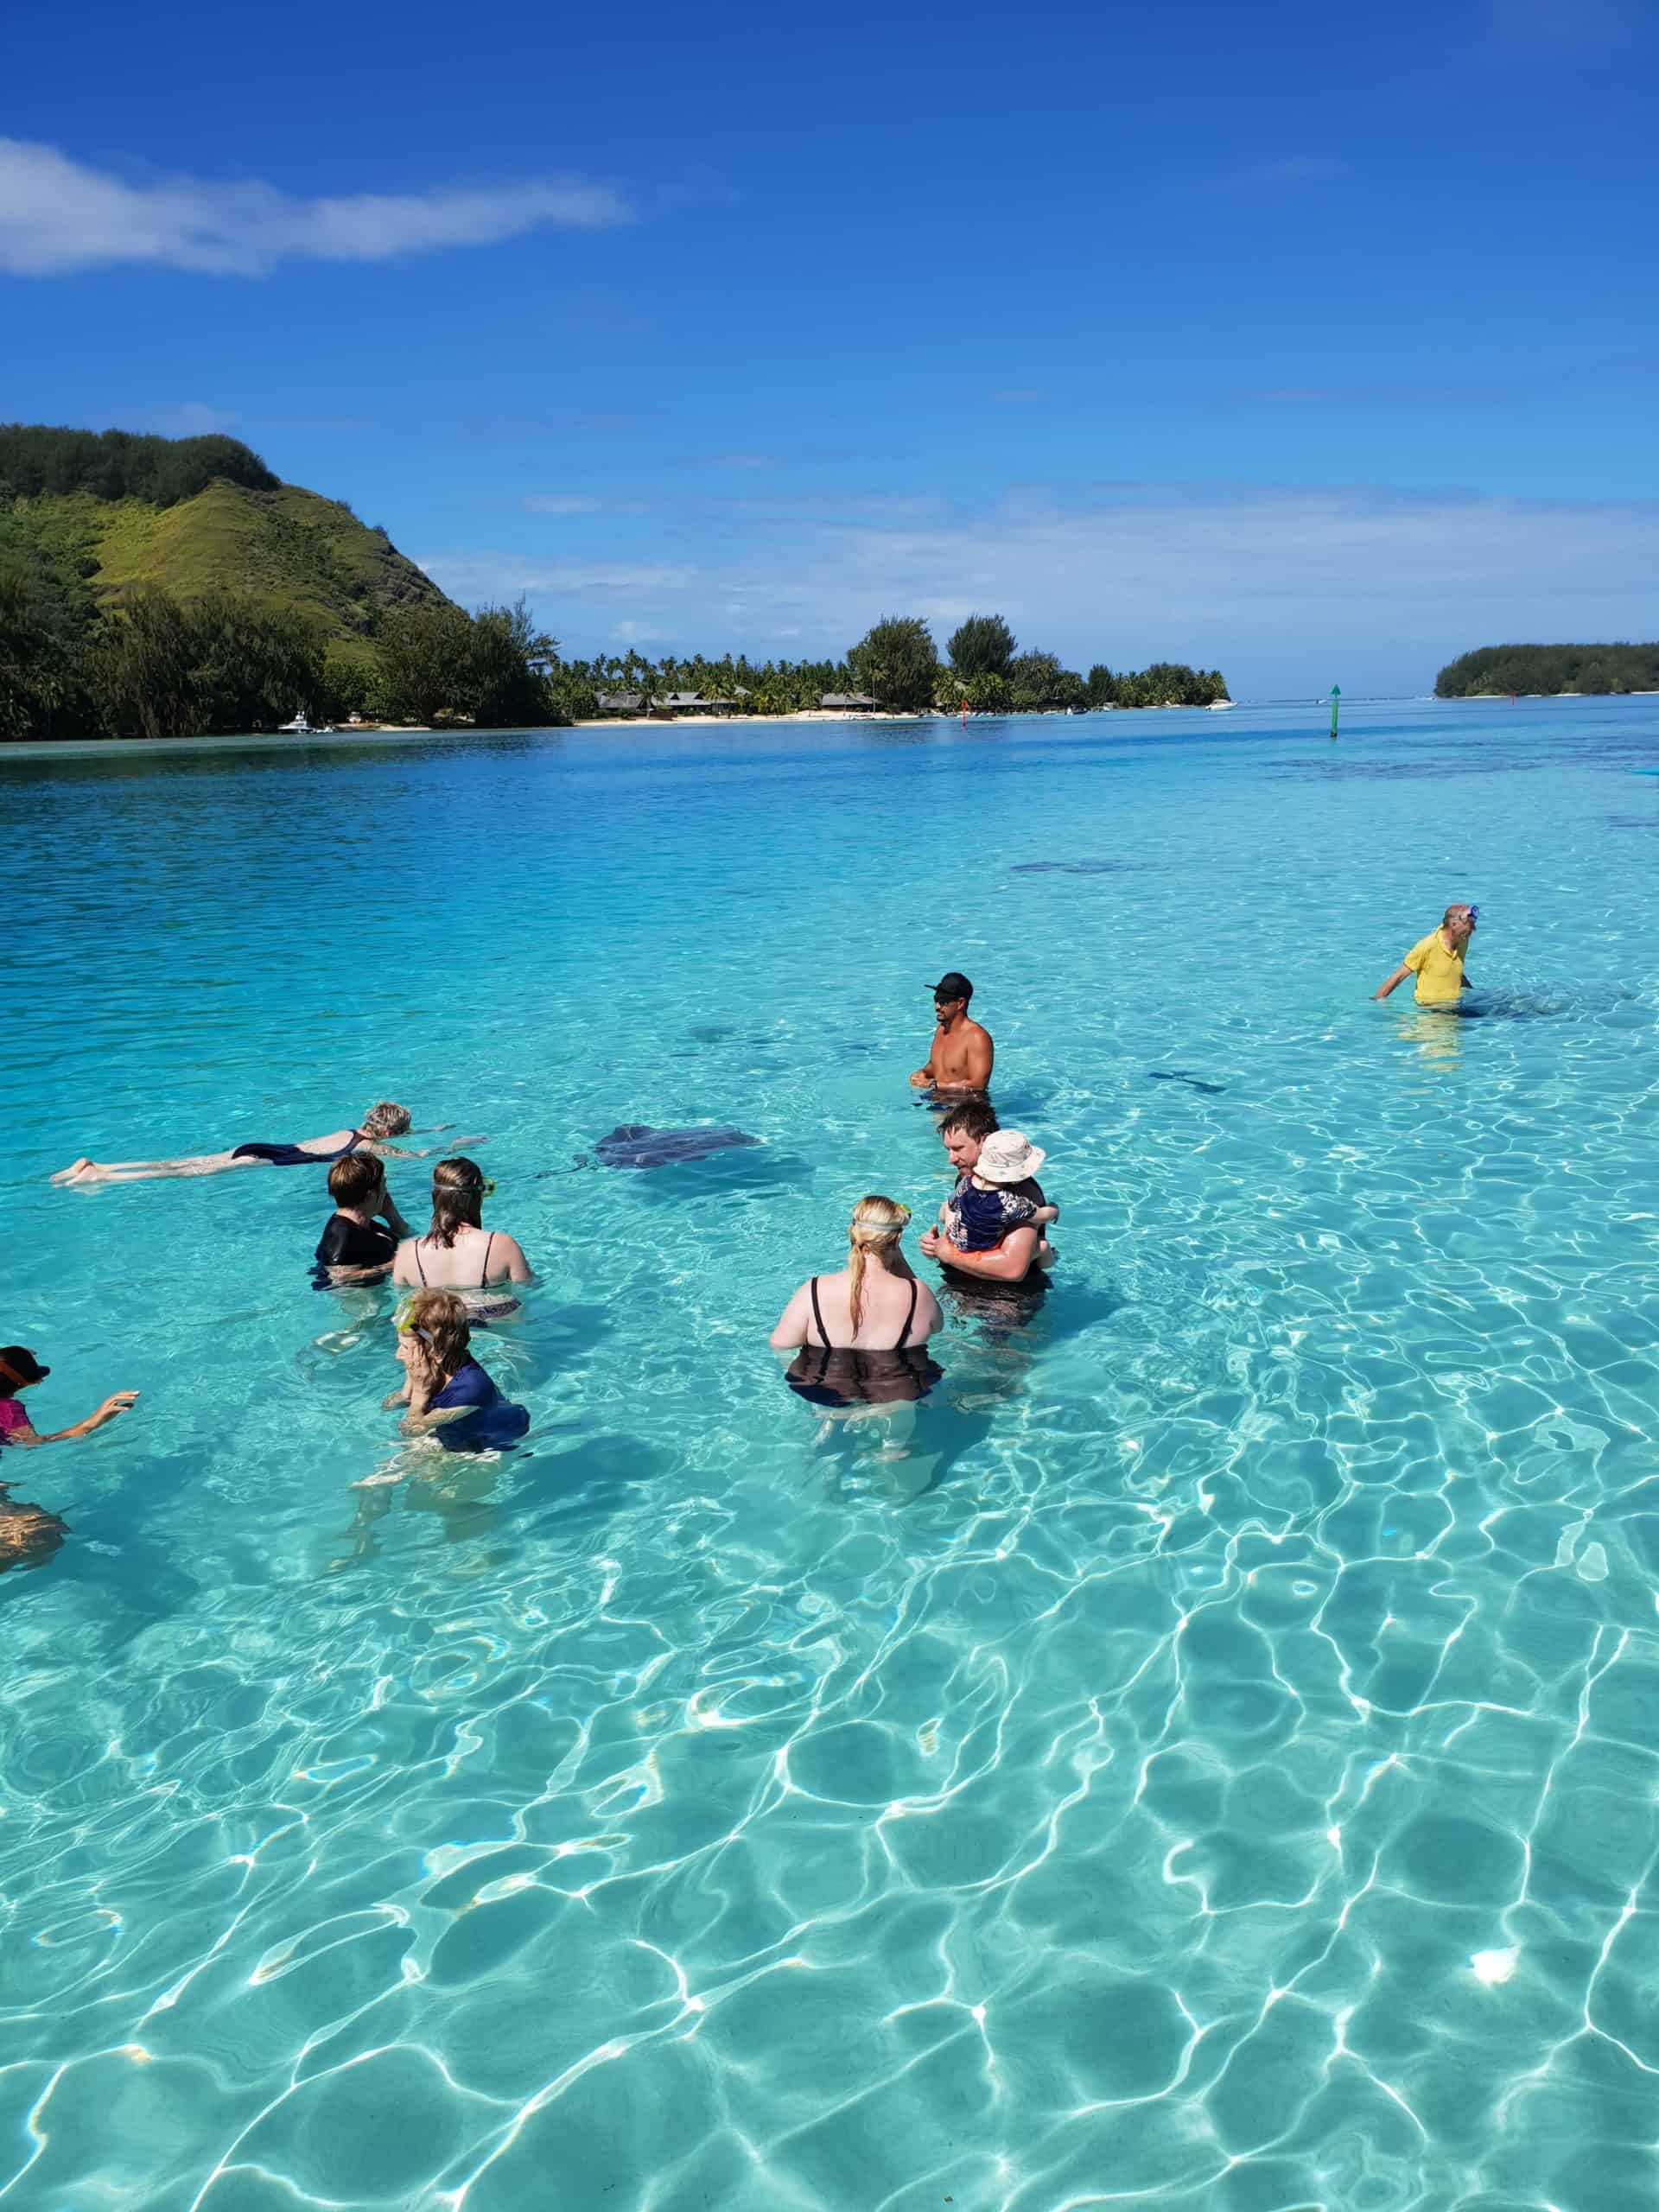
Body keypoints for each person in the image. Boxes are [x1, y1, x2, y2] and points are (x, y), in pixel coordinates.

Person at [770, 1195, 944, 1407]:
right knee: (898, 1435)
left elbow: (780, 1344)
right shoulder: (919, 1294)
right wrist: (905, 1268)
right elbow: (937, 1327)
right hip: (897, 1392)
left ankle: (833, 1416)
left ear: (852, 1233)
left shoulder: (813, 1290)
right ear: (897, 1240)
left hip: (826, 1390)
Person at [52, 1100, 425, 1185]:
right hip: (263, 1160)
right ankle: (102, 1178)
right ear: (389, 1133)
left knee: (178, 1163)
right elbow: (409, 1156)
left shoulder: (347, 1132)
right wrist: (436, 1150)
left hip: (262, 1145)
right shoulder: (368, 1148)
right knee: (187, 1174)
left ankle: (100, 1165)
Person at [918, 1102, 1056, 1285]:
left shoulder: (1020, 1192)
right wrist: (936, 1244)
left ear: (985, 1141)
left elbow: (1012, 1269)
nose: (951, 1159)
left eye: (958, 1149)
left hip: (1006, 1300)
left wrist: (948, 1254)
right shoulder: (968, 1179)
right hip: (961, 1283)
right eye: (948, 1150)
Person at [383, 1290, 529, 1451]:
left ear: (436, 1353)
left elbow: (410, 1431)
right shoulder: (428, 1363)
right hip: (453, 1429)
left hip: (493, 1443)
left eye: (405, 1348)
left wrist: (420, 1389)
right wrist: (411, 1383)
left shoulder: (470, 1389)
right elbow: (391, 1405)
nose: (397, 1355)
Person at [391, 1159, 532, 1317]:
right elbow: (528, 1291)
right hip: (494, 1331)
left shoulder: (406, 1252)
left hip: (436, 1334)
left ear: (435, 1196)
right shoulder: (503, 1245)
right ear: (478, 1196)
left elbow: (403, 1305)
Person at [937, 1128, 1058, 1255]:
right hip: (984, 1250)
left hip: (956, 1240)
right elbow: (1042, 1216)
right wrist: (1054, 1209)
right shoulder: (1011, 1202)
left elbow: (950, 1206)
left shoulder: (966, 1182)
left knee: (946, 1206)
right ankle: (1052, 1259)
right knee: (1044, 1246)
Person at [0, 1346, 138, 1447]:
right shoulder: (9, 1410)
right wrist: (92, 1422)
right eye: (36, 1379)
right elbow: (32, 1444)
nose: (39, 1381)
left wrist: (12, 1356)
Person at [313, 1154, 414, 1288]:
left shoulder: (363, 1223)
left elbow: (408, 1237)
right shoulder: (341, 1236)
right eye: (384, 1186)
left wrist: (392, 1216)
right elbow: (336, 1279)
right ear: (370, 1196)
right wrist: (390, 1266)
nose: (386, 1192)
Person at [1373, 904, 1478, 1006]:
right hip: (1430, 1009)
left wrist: (1473, 993)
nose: (1473, 929)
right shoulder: (1426, 946)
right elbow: (1398, 976)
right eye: (1469, 925)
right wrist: (1376, 1001)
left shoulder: (1463, 940)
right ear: (1453, 924)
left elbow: (1453, 970)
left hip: (1455, 1005)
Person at [909, 972, 994, 1094]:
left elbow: (978, 1086)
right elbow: (938, 1066)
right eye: (936, 1000)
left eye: (943, 1001)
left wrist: (933, 1085)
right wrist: (922, 1073)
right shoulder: (941, 1030)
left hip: (964, 1109)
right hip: (937, 1104)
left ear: (960, 1003)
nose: (937, 1006)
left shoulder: (977, 1038)